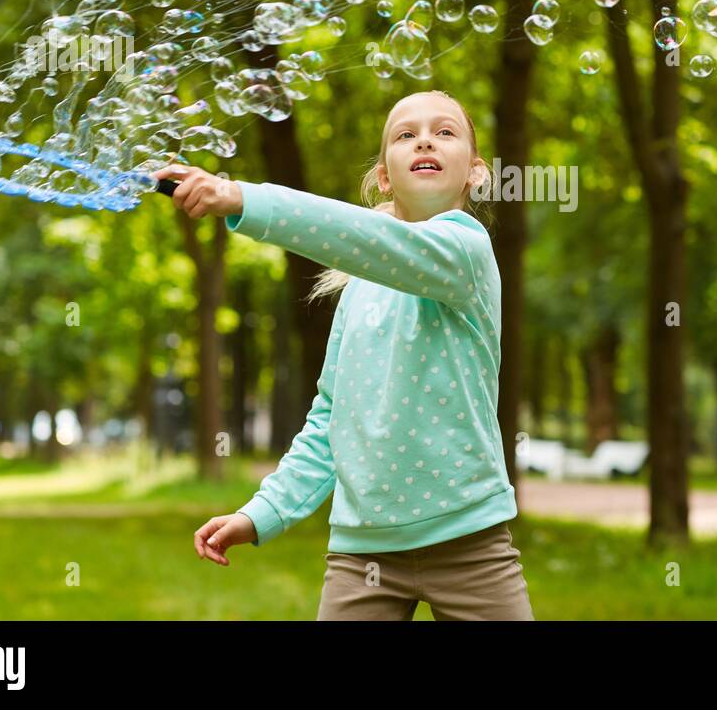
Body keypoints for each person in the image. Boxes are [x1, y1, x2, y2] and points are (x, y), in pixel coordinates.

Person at [156, 89, 534, 620]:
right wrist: (264, 511)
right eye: (406, 135)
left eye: (444, 131)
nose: (425, 138)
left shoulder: (465, 253)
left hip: (469, 540)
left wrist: (243, 198)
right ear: (384, 176)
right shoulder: (360, 289)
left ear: (475, 174)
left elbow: (374, 241)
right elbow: (330, 418)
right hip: (362, 553)